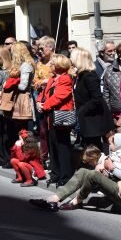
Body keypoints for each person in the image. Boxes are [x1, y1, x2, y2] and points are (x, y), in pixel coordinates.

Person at [30, 116, 121, 220]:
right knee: (84, 171)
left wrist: (112, 169)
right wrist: (107, 169)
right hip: (119, 186)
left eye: (117, 128)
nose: (115, 131)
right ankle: (53, 200)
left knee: (93, 175)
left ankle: (75, 202)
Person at [37, 54, 75, 187]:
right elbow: (44, 93)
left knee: (62, 146)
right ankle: (55, 174)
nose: (50, 66)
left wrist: (45, 105)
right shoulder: (52, 78)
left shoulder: (66, 78)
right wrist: (38, 102)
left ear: (58, 66)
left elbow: (60, 96)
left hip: (61, 116)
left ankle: (65, 176)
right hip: (50, 115)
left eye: (52, 64)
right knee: (52, 145)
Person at [70, 47, 113, 151]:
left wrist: (81, 111)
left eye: (72, 57)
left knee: (94, 148)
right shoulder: (80, 75)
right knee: (89, 147)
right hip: (87, 118)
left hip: (94, 120)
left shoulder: (89, 76)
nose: (70, 60)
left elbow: (96, 98)